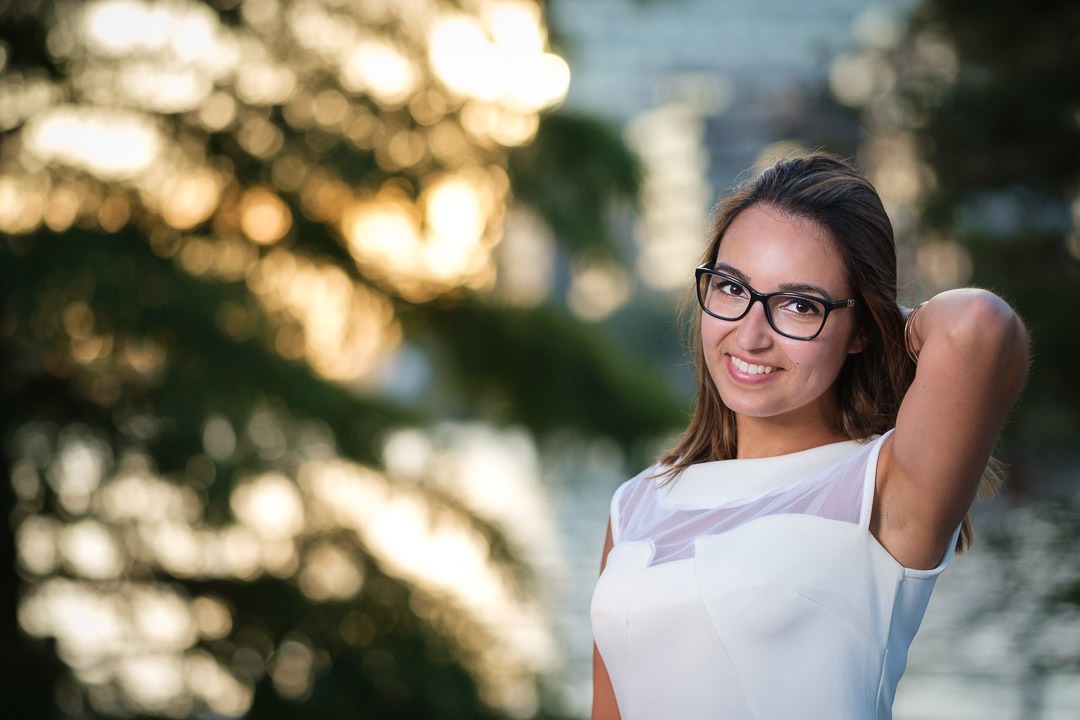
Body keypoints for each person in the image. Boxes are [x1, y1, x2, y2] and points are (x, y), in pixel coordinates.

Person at [590, 153, 1029, 719]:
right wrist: (819, 315)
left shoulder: (880, 490)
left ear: (859, 330)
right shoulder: (637, 503)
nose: (750, 336)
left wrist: (878, 316)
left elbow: (978, 327)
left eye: (799, 305)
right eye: (730, 288)